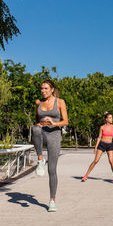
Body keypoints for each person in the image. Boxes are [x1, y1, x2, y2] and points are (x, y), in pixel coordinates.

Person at [32, 80, 68, 212]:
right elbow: (36, 119)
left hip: (54, 135)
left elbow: (66, 121)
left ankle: (52, 201)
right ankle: (40, 159)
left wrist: (53, 122)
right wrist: (41, 123)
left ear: (52, 89)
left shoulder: (60, 102)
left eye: (46, 88)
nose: (43, 91)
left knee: (52, 170)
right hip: (42, 132)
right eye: (42, 88)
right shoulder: (38, 103)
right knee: (35, 129)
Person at [81, 112, 113, 182]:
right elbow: (99, 137)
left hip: (110, 144)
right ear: (106, 119)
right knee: (96, 160)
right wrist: (95, 147)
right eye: (110, 118)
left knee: (111, 161)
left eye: (112, 118)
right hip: (102, 144)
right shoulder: (102, 127)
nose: (112, 119)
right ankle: (86, 175)